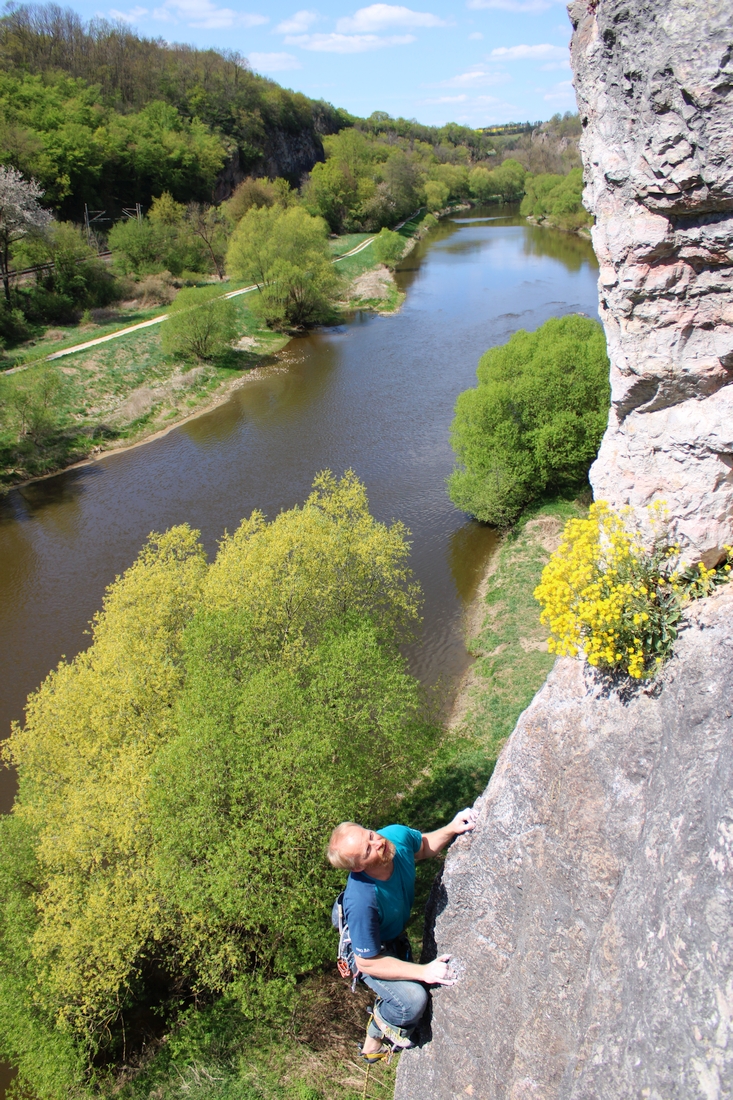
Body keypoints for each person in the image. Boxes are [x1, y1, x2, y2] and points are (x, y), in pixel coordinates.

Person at [327, 808, 477, 1062]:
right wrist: (424, 972)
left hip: (389, 933)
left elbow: (423, 846)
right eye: (368, 850)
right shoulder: (363, 900)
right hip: (367, 952)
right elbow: (368, 961)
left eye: (371, 835)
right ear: (359, 867)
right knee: (412, 1001)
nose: (378, 843)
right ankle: (376, 1033)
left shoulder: (393, 836)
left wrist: (451, 828)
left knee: (414, 985)